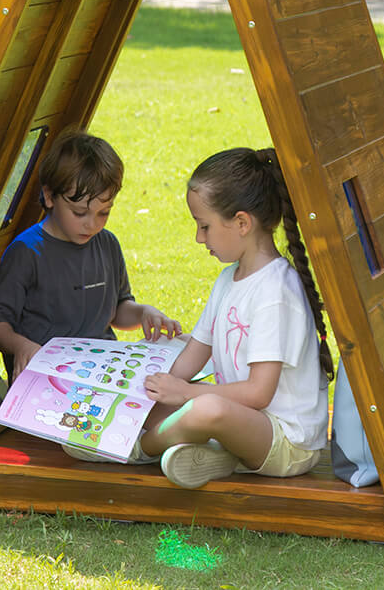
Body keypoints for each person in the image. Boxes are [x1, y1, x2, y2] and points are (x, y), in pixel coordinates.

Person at [137, 146, 334, 489]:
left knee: (205, 409)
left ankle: (137, 449)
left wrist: (183, 392)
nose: (199, 238)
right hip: (249, 423)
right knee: (152, 404)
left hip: (287, 442)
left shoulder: (276, 292)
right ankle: (220, 457)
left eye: (204, 226)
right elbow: (195, 352)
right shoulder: (228, 279)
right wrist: (153, 388)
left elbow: (259, 394)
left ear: (242, 223)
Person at [0, 129, 181, 382]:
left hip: (104, 373)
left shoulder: (107, 244)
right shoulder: (27, 252)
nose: (92, 225)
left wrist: (144, 313)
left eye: (103, 213)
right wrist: (22, 346)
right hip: (47, 378)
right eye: (79, 213)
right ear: (50, 196)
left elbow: (117, 308)